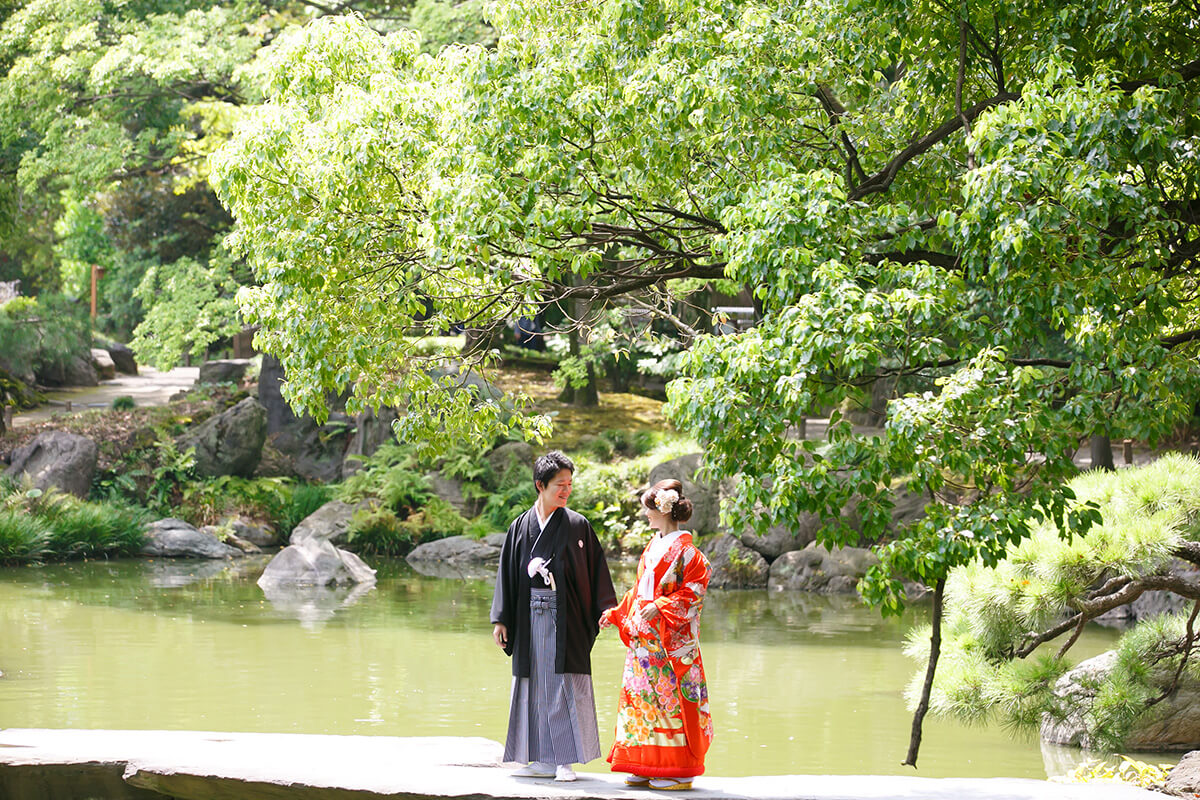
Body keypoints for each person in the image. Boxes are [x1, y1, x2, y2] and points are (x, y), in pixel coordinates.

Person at [490, 450, 617, 782]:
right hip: (529, 616)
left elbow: (595, 571)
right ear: (540, 485)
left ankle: (564, 760)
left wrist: (606, 608)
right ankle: (539, 757)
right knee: (533, 686)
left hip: (566, 620)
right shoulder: (520, 527)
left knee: (563, 686)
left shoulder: (577, 526)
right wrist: (501, 619)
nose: (566, 491)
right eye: (560, 485)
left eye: (569, 485)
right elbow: (506, 574)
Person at [601, 479, 713, 790]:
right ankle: (646, 763)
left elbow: (695, 592)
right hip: (643, 641)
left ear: (663, 510)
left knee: (670, 703)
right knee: (642, 702)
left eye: (649, 510)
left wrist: (662, 606)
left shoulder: (689, 553)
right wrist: (616, 613)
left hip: (668, 645)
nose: (646, 515)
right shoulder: (653, 545)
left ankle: (678, 770)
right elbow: (639, 591)